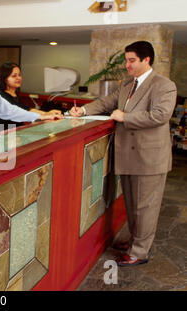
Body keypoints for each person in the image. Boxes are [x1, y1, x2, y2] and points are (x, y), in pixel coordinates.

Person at [69, 41, 177, 267]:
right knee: (132, 204)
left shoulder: (164, 85)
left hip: (150, 159)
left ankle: (139, 252)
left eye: (131, 60)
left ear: (146, 60)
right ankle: (135, 241)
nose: (127, 65)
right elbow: (107, 102)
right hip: (129, 156)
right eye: (126, 60)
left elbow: (160, 115)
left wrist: (125, 117)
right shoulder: (128, 83)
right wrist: (84, 110)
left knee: (146, 207)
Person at [0, 62, 61, 131]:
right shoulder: (1, 95)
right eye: (14, 76)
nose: (18, 78)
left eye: (19, 75)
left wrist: (47, 114)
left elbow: (27, 108)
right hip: (2, 130)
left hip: (16, 129)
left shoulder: (15, 93)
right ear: (4, 78)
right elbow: (22, 109)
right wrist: (46, 114)